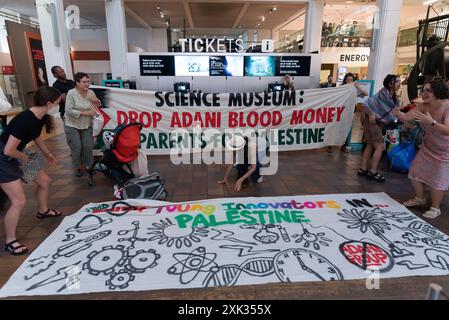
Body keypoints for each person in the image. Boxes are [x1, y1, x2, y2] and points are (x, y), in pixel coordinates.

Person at [0, 86, 61, 255]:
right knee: (18, 201)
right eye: (57, 102)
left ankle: (43, 211)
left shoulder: (40, 116)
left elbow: (35, 135)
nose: (58, 105)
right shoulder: (25, 119)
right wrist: (27, 159)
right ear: (48, 103)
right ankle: (10, 241)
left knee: (45, 181)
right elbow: (8, 151)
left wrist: (47, 153)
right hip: (4, 156)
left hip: (17, 152)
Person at [393, 77, 449, 219]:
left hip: (445, 151)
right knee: (415, 171)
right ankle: (420, 198)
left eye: (428, 90)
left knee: (438, 180)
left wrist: (431, 122)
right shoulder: (423, 106)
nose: (424, 93)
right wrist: (398, 113)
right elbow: (406, 117)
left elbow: (447, 130)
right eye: (423, 90)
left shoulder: (447, 106)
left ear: (438, 91)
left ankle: (435, 208)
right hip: (428, 147)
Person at [357, 74, 401, 182]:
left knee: (370, 145)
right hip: (372, 122)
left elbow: (392, 111)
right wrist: (371, 113)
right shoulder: (382, 95)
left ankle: (362, 169)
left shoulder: (393, 97)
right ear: (390, 84)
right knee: (380, 146)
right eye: (397, 81)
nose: (400, 84)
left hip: (377, 123)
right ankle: (373, 171)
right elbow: (365, 105)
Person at [65, 72, 101, 178]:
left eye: (88, 82)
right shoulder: (71, 93)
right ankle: (78, 167)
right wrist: (85, 113)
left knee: (88, 146)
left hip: (86, 124)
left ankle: (89, 166)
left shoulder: (90, 92)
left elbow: (97, 105)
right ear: (77, 82)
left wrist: (97, 101)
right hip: (72, 124)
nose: (87, 84)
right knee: (76, 147)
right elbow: (68, 110)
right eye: (84, 82)